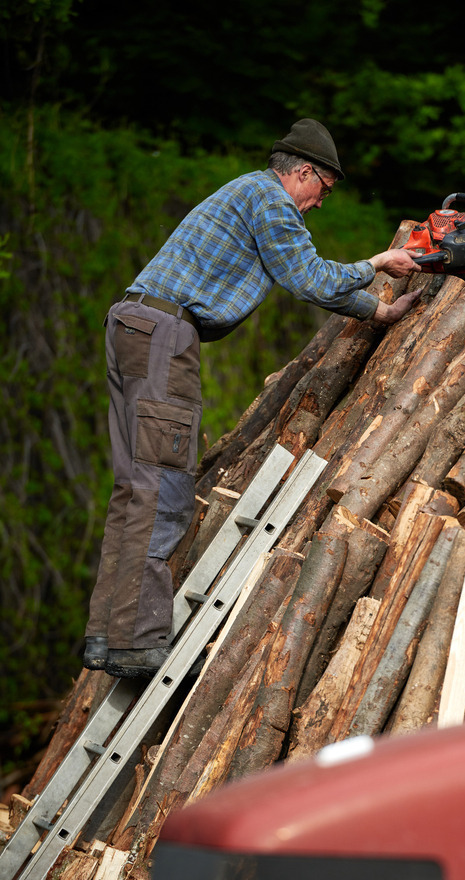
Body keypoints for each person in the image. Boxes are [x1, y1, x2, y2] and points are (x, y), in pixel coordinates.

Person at [84, 118, 422, 679]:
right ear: (304, 172)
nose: (318, 205)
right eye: (323, 192)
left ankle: (107, 634)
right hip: (166, 335)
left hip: (134, 326)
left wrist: (379, 312)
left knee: (136, 485)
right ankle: (138, 643)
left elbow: (303, 277)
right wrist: (378, 266)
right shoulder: (270, 199)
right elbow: (307, 276)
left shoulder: (247, 192)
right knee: (164, 481)